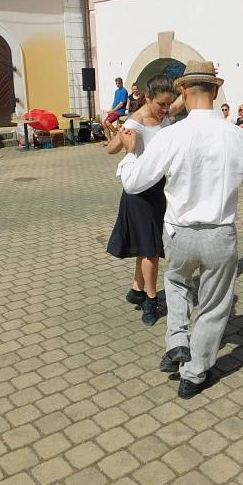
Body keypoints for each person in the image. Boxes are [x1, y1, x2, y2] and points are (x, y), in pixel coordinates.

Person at [117, 60, 243, 400]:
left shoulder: (172, 135)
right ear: (217, 91)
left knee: (176, 284)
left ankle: (177, 341)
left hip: (178, 233)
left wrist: (130, 154)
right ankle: (194, 372)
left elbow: (133, 183)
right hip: (220, 233)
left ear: (183, 92)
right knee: (215, 305)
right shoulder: (240, 136)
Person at [106, 75, 176, 326]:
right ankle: (151, 299)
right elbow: (112, 148)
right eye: (162, 104)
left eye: (170, 104)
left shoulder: (165, 114)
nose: (167, 109)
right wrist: (124, 142)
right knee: (151, 250)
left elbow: (186, 101)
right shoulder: (136, 121)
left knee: (149, 245)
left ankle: (137, 289)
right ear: (148, 98)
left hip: (159, 189)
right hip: (139, 193)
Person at [102, 77, 128, 145]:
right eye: (116, 83)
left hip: (119, 111)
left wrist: (113, 110)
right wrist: (110, 109)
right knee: (104, 124)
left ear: (122, 83)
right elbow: (114, 102)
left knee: (107, 122)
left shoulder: (124, 91)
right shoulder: (116, 91)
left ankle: (117, 136)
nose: (117, 85)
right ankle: (109, 140)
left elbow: (121, 104)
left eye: (118, 83)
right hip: (114, 111)